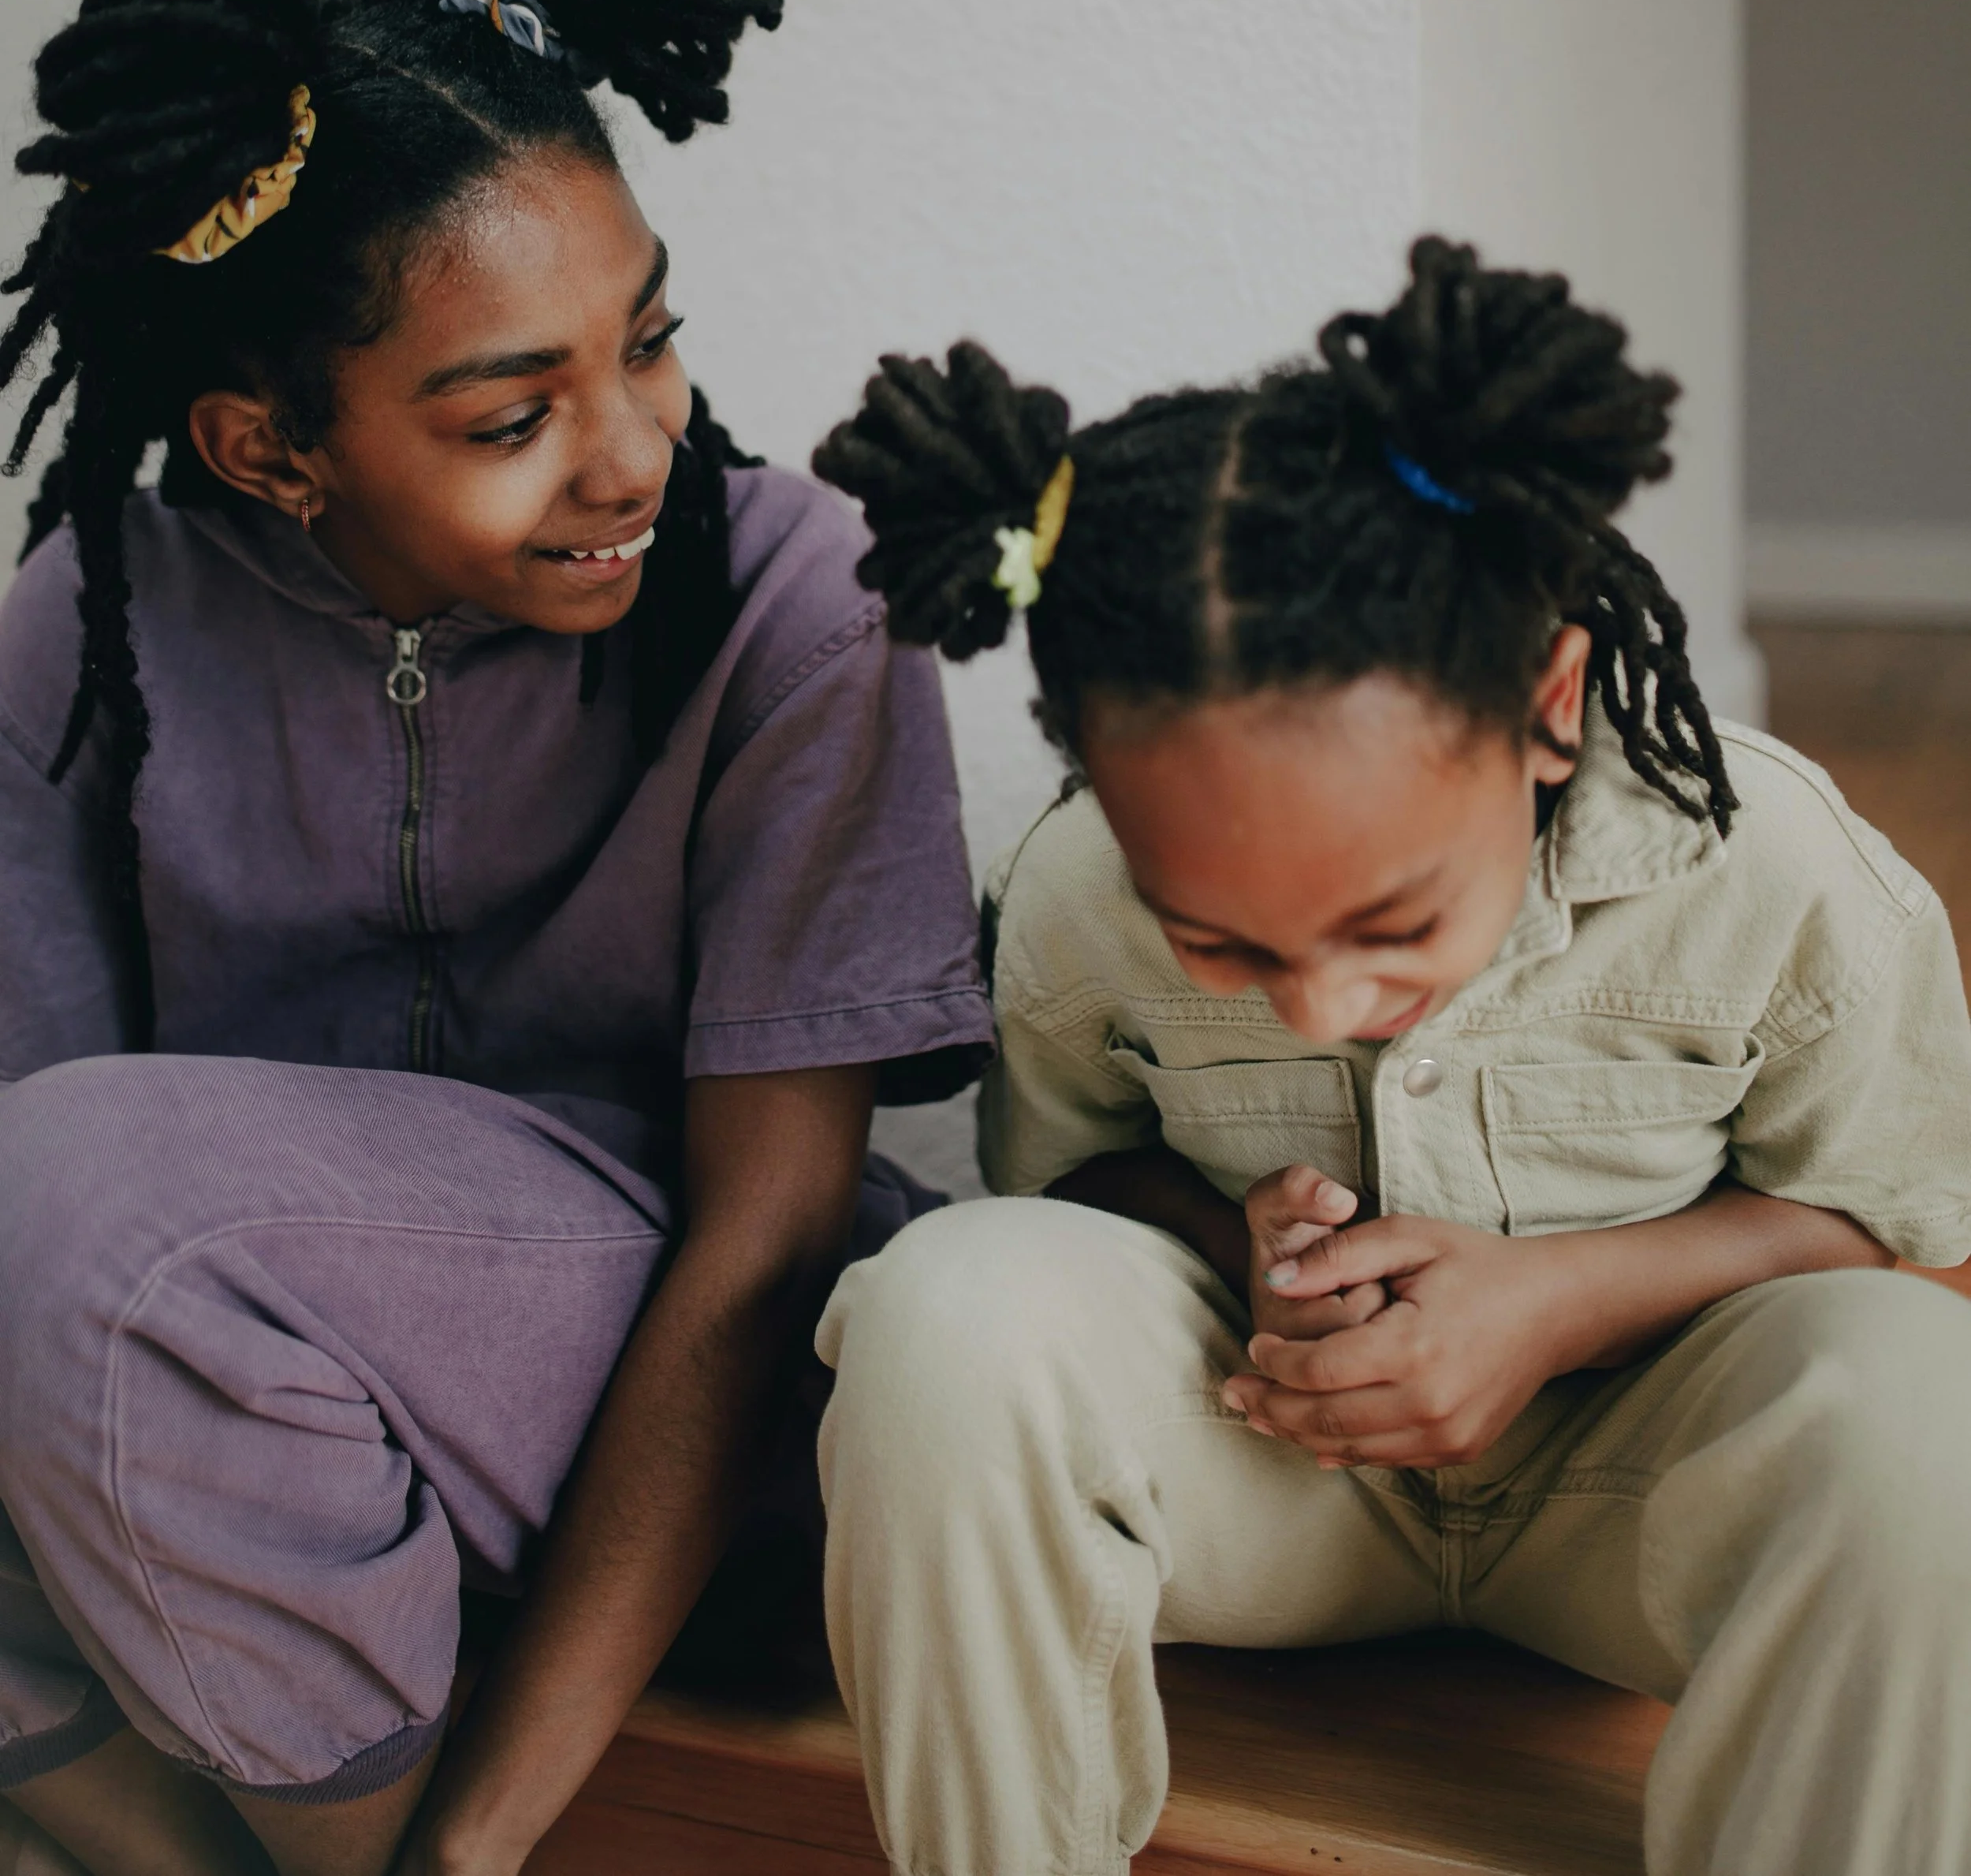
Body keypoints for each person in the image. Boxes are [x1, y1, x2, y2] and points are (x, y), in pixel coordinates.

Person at [0, 0, 991, 1876]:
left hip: (702, 1415)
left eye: (645, 335)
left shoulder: (801, 600)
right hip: (219, 1449)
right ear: (270, 446)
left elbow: (766, 1242)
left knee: (90, 1198)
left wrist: (465, 1852)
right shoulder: (82, 638)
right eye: (508, 414)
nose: (630, 448)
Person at [812, 237, 1971, 1876]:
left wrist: (1551, 1301)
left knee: (1928, 1409)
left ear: (1547, 707)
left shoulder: (1770, 869)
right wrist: (1244, 1252)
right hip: (1273, 1470)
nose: (1315, 1007)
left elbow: (1884, 1216)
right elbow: (1073, 1185)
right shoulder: (1077, 889)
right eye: (1219, 943)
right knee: (941, 1296)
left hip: (1627, 1497)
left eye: (1391, 922)